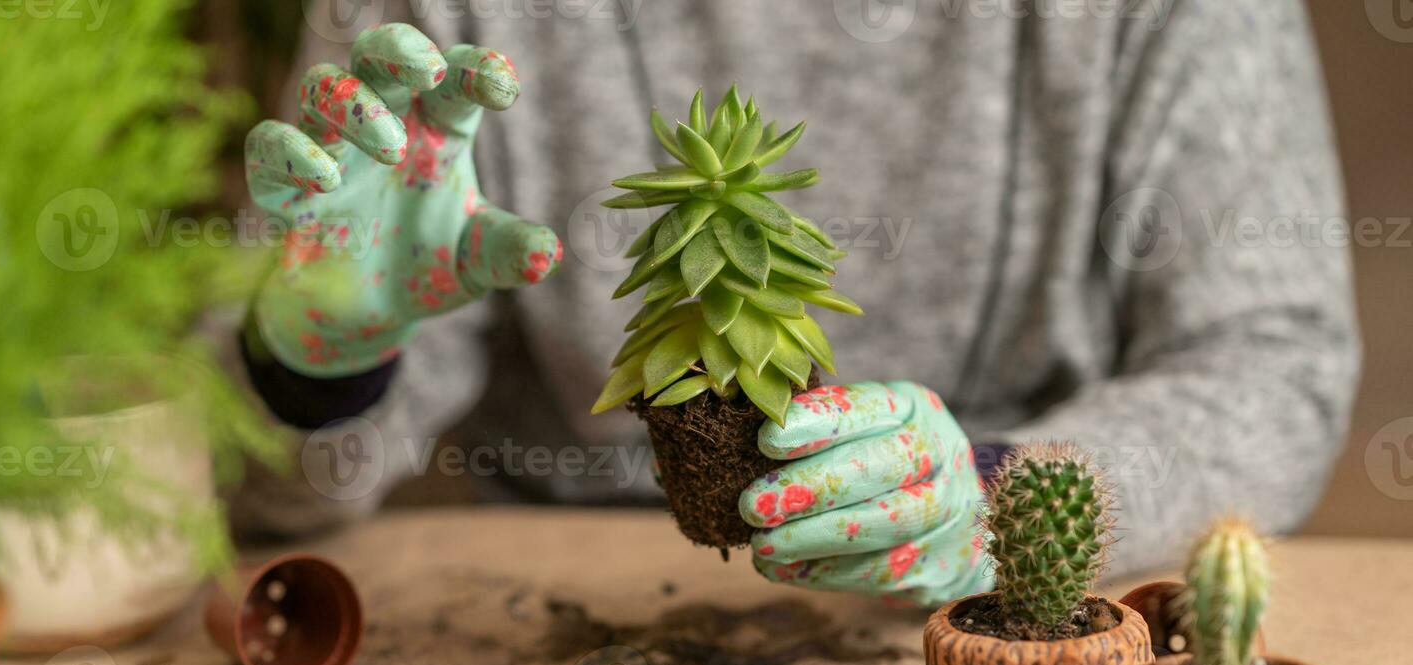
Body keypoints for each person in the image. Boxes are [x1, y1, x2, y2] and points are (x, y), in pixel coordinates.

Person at [218, 0, 1359, 606]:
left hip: (1008, 616)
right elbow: (259, 486)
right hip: (556, 630)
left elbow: (1272, 358)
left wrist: (1008, 495)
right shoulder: (435, 25)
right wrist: (310, 365)